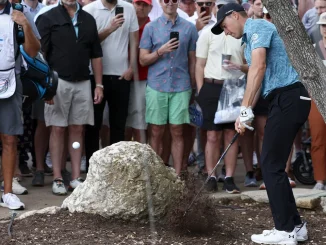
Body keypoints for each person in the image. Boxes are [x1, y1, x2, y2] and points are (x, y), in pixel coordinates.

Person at [212, 3, 310, 244]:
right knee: (272, 163)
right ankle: (296, 226)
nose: (226, 32)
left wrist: (245, 109)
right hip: (283, 98)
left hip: (289, 96)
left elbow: (258, 67)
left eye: (224, 26)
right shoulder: (249, 41)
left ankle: (284, 230)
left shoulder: (256, 25)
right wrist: (244, 114)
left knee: (270, 164)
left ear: (235, 16)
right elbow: (257, 80)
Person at [36, 0, 103, 195]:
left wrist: (98, 84)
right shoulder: (48, 17)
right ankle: (57, 177)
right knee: (57, 128)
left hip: (83, 81)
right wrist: (46, 87)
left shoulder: (88, 19)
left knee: (78, 128)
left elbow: (96, 55)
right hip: (57, 82)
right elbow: (41, 55)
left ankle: (75, 177)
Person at [139, 0, 198, 176]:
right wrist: (160, 51)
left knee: (178, 130)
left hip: (181, 85)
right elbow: (142, 60)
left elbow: (193, 60)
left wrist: (193, 86)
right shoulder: (151, 28)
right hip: (157, 84)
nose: (170, 3)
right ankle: (156, 175)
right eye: (166, 0)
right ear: (160, 3)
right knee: (156, 131)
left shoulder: (189, 28)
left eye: (173, 0)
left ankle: (178, 175)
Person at [83, 0, 139, 172]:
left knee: (118, 125)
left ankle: (116, 169)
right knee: (94, 125)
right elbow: (88, 42)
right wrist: (110, 28)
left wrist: (132, 68)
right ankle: (93, 169)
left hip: (121, 75)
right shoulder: (89, 10)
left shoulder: (129, 8)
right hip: (95, 76)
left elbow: (135, 42)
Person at [0, 0, 40, 210]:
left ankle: (7, 193)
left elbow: (33, 52)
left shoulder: (20, 13)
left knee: (9, 138)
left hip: (10, 83)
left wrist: (24, 24)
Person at [125, 0, 152, 143]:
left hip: (143, 78)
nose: (140, 8)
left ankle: (139, 157)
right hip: (120, 76)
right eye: (138, 4)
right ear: (132, 5)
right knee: (122, 121)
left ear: (150, 8)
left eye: (145, 5)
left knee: (140, 121)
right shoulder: (124, 22)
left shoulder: (153, 26)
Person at [310, 12, 326, 191]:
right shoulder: (313, 49)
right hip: (317, 98)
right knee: (318, 138)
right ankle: (320, 179)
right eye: (323, 26)